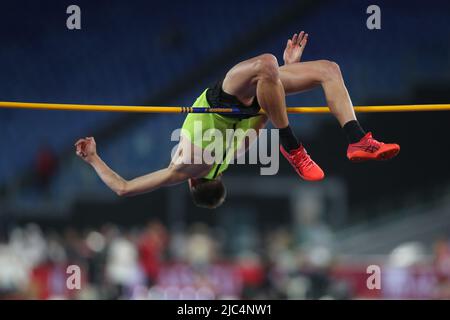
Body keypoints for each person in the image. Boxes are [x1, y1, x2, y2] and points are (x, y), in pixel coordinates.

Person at [75, 31, 400, 209]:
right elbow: (124, 188)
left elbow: (265, 111)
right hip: (225, 100)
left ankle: (359, 140)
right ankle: (296, 146)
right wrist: (92, 157)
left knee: (299, 68)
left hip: (245, 100)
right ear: (192, 184)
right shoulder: (184, 169)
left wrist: (281, 73)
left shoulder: (234, 154)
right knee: (324, 69)